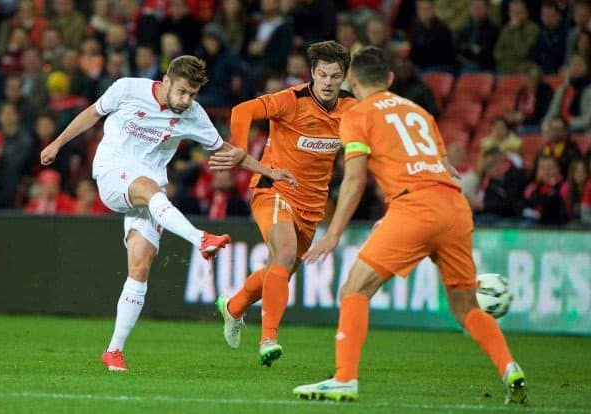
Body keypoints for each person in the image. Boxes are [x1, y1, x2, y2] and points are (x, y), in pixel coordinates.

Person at [292, 47, 528, 405]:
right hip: (454, 206)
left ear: (351, 81)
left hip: (415, 206)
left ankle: (344, 379)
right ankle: (509, 366)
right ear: (389, 79)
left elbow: (354, 180)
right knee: (467, 308)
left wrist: (334, 233)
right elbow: (443, 170)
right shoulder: (421, 112)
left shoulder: (357, 114)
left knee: (353, 290)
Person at [39, 55, 295, 372]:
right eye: (183, 92)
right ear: (167, 81)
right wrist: (57, 144)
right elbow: (92, 114)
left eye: (193, 94)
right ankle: (200, 239)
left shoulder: (194, 115)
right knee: (150, 187)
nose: (187, 100)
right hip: (112, 173)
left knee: (141, 263)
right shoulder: (127, 88)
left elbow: (227, 152)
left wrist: (268, 170)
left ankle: (113, 351)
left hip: (151, 194)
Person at [210, 41, 356, 366]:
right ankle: (268, 338)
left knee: (281, 270)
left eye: (335, 76)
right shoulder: (291, 101)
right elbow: (241, 111)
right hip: (272, 188)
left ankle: (233, 307)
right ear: (312, 74)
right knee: (285, 252)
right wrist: (241, 151)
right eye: (322, 74)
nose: (328, 82)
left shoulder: (352, 109)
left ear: (344, 76)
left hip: (312, 202)